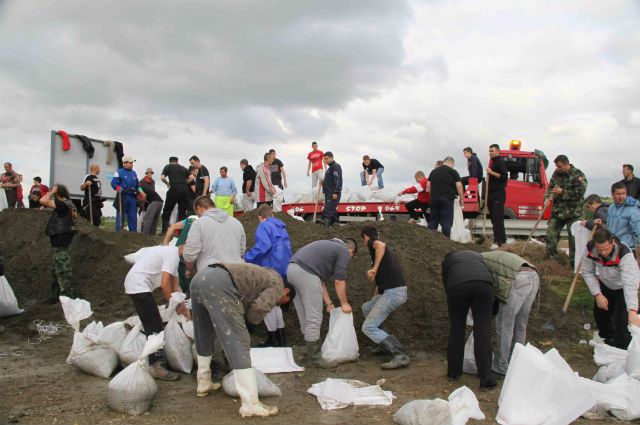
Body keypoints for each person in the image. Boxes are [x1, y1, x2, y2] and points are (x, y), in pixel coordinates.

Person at [191, 262, 292, 417]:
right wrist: (249, 323)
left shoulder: (261, 275)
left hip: (199, 279)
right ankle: (250, 404)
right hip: (220, 283)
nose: (279, 303)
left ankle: (204, 382)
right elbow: (258, 309)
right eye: (285, 300)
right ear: (286, 291)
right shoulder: (277, 284)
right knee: (238, 340)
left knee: (203, 332)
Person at [287, 238, 357, 367]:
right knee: (314, 316)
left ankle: (308, 349)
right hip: (306, 274)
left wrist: (329, 303)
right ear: (351, 251)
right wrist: (344, 303)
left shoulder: (328, 247)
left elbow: (319, 281)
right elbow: (339, 280)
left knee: (304, 314)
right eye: (351, 257)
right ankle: (314, 357)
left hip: (292, 269)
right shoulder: (343, 250)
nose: (348, 260)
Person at [124, 244, 187, 381]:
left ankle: (156, 362)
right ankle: (157, 366)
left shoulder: (173, 256)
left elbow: (175, 286)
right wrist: (174, 304)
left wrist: (182, 306)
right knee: (155, 327)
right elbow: (165, 285)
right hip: (138, 285)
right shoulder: (172, 253)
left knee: (153, 322)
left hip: (137, 284)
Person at [441, 250, 496, 390]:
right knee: (482, 329)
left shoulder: (448, 261)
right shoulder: (478, 257)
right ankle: (486, 378)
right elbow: (490, 274)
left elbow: (446, 283)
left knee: (457, 328)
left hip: (457, 286)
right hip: (485, 285)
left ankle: (453, 372)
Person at [480, 251, 539, 376]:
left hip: (520, 279)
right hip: (534, 277)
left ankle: (501, 366)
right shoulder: (490, 257)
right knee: (520, 326)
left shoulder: (480, 262)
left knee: (505, 326)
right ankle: (519, 361)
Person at [360, 227, 409, 369]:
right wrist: (374, 299)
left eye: (363, 240)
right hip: (388, 291)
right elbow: (380, 282)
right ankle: (383, 344)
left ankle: (401, 355)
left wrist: (374, 269)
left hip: (393, 292)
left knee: (368, 327)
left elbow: (381, 245)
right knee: (367, 307)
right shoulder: (381, 256)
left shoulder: (373, 244)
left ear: (365, 237)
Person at [244, 204, 293, 347]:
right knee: (276, 304)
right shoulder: (282, 228)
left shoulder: (264, 226)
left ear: (260, 217)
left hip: (269, 269)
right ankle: (281, 339)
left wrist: (246, 258)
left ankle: (273, 339)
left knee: (267, 304)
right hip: (283, 269)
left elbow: (263, 246)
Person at [582, 229, 640, 349]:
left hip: (624, 286)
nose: (603, 253)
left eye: (606, 249)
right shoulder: (590, 248)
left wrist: (632, 310)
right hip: (606, 283)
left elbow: (629, 284)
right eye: (600, 250)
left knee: (623, 320)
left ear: (612, 242)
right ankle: (608, 339)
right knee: (601, 314)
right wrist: (597, 294)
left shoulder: (624, 254)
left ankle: (624, 347)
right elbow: (587, 272)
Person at [183, 196, 246, 278]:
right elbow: (242, 251)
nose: (198, 216)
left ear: (199, 209)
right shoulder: (237, 223)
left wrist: (190, 270)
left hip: (209, 275)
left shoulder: (198, 224)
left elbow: (190, 254)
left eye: (197, 213)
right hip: (235, 274)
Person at [544, 155, 587, 267]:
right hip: (558, 212)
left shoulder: (578, 175)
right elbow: (550, 188)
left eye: (559, 166)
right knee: (550, 235)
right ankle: (553, 263)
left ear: (566, 164)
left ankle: (574, 266)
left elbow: (580, 193)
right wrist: (547, 198)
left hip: (573, 213)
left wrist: (562, 191)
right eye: (556, 166)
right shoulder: (556, 174)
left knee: (574, 240)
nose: (557, 168)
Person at [39, 184, 77, 302]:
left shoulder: (63, 204)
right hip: (63, 236)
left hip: (61, 237)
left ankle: (67, 296)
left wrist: (51, 192)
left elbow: (42, 200)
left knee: (62, 267)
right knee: (57, 268)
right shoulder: (68, 203)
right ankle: (57, 295)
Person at [427, 156, 464, 237]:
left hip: (434, 199)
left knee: (433, 220)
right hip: (447, 199)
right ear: (452, 163)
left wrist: (432, 194)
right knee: (446, 222)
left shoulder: (434, 171)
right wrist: (462, 199)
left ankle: (430, 239)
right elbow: (459, 186)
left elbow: (428, 185)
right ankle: (446, 240)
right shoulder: (453, 172)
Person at [162, 215, 198, 294]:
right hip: (191, 256)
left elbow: (172, 227)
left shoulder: (191, 218)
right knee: (191, 287)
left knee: (178, 285)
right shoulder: (207, 222)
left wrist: (165, 245)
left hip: (177, 254)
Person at [111, 155, 146, 232]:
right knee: (120, 217)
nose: (132, 164)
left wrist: (141, 191)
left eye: (132, 163)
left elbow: (138, 185)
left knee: (133, 217)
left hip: (133, 197)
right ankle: (118, 233)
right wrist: (119, 188)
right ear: (125, 163)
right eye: (130, 162)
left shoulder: (134, 173)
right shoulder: (118, 172)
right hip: (123, 196)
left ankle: (133, 234)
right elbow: (113, 183)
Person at [160, 156, 191, 234]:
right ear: (177, 161)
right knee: (182, 211)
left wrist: (167, 183)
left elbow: (162, 177)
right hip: (184, 190)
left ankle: (164, 231)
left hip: (174, 188)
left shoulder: (168, 166)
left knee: (167, 210)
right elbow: (191, 177)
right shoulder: (183, 168)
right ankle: (181, 233)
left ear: (170, 161)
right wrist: (185, 183)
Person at [486, 144, 508, 249]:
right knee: (494, 218)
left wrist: (491, 172)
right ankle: (502, 240)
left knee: (497, 218)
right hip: (491, 193)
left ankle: (498, 241)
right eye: (489, 151)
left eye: (492, 151)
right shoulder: (493, 162)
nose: (490, 153)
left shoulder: (500, 161)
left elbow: (504, 176)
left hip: (498, 193)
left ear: (498, 151)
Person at [606, 182, 640, 250]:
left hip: (627, 247)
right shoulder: (611, 207)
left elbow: (638, 231)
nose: (621, 197)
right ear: (612, 194)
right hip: (613, 246)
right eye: (618, 194)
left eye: (623, 193)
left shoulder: (633, 210)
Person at [139, 168, 164, 235]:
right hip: (160, 202)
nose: (150, 174)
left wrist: (142, 205)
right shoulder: (143, 182)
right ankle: (152, 236)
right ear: (146, 174)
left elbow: (144, 195)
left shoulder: (139, 186)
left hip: (154, 202)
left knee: (147, 219)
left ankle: (145, 236)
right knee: (154, 221)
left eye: (151, 173)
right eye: (148, 173)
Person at [322, 151, 343, 229]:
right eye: (324, 159)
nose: (325, 160)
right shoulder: (330, 168)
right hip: (328, 194)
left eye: (327, 158)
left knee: (328, 212)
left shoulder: (335, 166)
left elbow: (337, 180)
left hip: (332, 194)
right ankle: (335, 228)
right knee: (332, 212)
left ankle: (326, 230)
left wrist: (336, 192)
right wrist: (323, 183)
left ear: (332, 157)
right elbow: (330, 181)